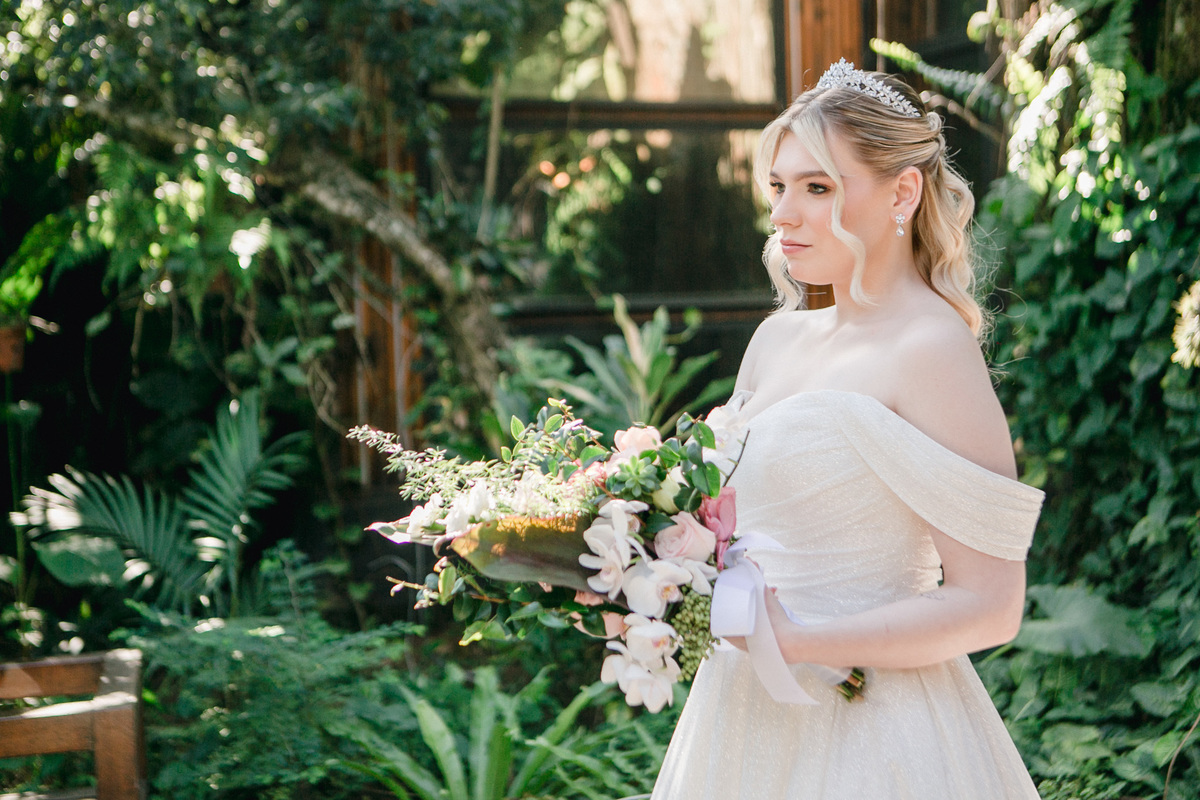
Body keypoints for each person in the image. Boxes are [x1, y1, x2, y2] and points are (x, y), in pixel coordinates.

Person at [649, 60, 1045, 798]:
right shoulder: (776, 340)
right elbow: (725, 528)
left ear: (902, 191)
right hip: (736, 720)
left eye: (818, 187)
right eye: (779, 187)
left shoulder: (930, 349)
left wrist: (799, 642)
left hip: (876, 730)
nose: (783, 214)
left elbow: (993, 603)